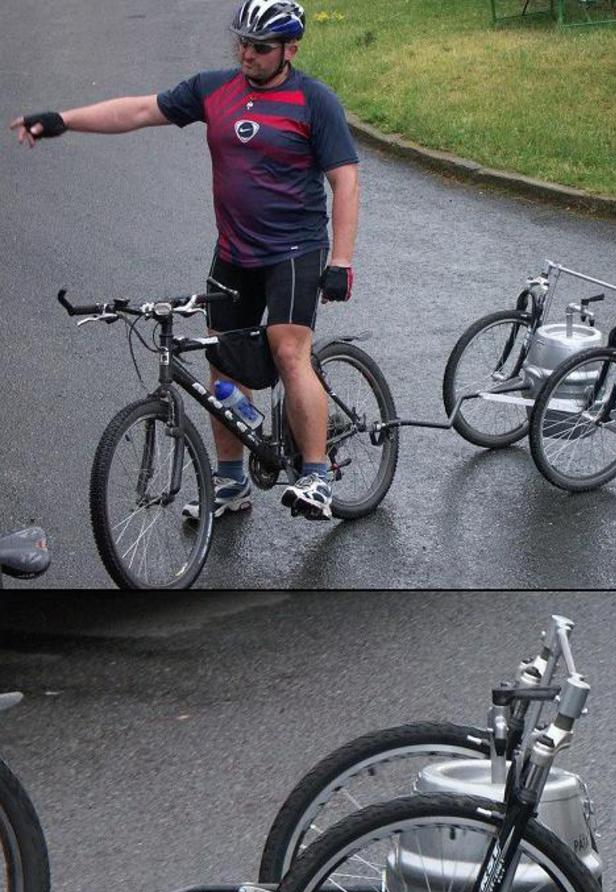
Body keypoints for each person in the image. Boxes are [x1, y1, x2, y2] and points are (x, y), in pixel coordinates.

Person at [10, 0, 359, 522]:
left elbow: (345, 179)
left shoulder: (314, 101)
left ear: (290, 49)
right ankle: (231, 482)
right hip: (235, 251)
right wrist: (62, 121)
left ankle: (315, 476)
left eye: (259, 47)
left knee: (289, 353)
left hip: (294, 251)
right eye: (240, 41)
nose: (246, 53)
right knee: (220, 365)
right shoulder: (214, 89)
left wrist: (342, 260)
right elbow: (138, 111)